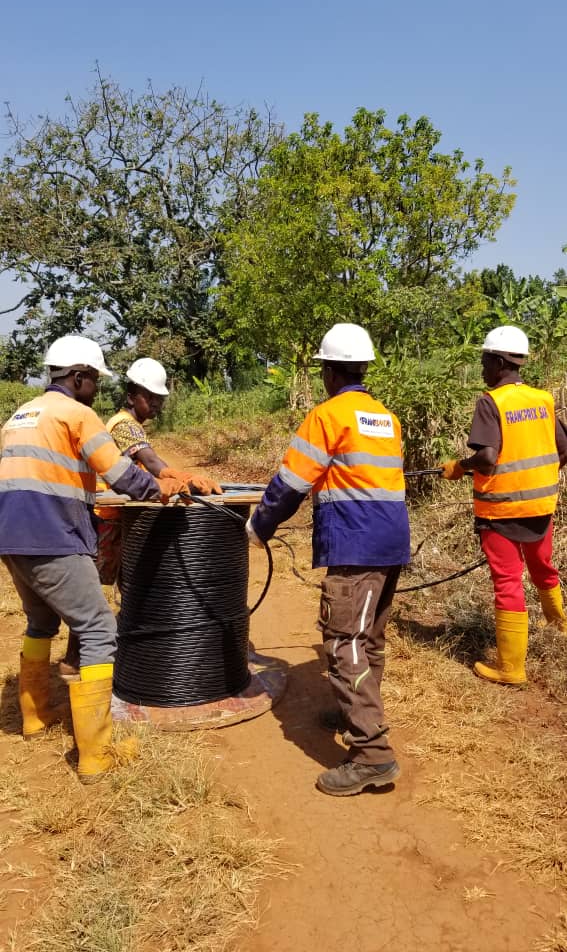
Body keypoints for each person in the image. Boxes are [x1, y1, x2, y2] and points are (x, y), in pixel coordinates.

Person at [0, 335, 188, 782]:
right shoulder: (76, 414)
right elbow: (120, 472)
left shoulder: (21, 413)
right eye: (93, 381)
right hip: (52, 535)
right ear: (79, 376)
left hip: (10, 536)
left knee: (41, 621)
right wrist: (156, 488)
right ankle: (97, 753)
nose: (97, 391)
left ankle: (35, 716)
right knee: (100, 629)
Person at [246, 323, 410, 797]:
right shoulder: (384, 416)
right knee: (368, 640)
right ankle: (351, 713)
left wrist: (260, 527)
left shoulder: (328, 415)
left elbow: (292, 482)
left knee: (343, 643)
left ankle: (371, 755)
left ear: (330, 371)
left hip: (356, 546)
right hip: (390, 542)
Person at [60, 356, 222, 676]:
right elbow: (151, 461)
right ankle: (74, 661)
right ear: (133, 395)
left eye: (159, 399)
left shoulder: (131, 424)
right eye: (151, 398)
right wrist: (181, 476)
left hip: (121, 517)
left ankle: (123, 651)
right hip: (107, 517)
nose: (157, 405)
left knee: (128, 586)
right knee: (93, 592)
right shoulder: (124, 424)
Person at [441, 325, 567, 685]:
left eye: (484, 360)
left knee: (508, 583)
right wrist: (536, 479)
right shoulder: (541, 399)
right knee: (543, 567)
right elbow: (563, 449)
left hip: (501, 511)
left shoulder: (490, 402)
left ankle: (511, 668)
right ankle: (558, 625)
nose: (482, 367)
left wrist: (458, 468)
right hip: (541, 506)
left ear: (498, 362)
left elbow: (488, 457)